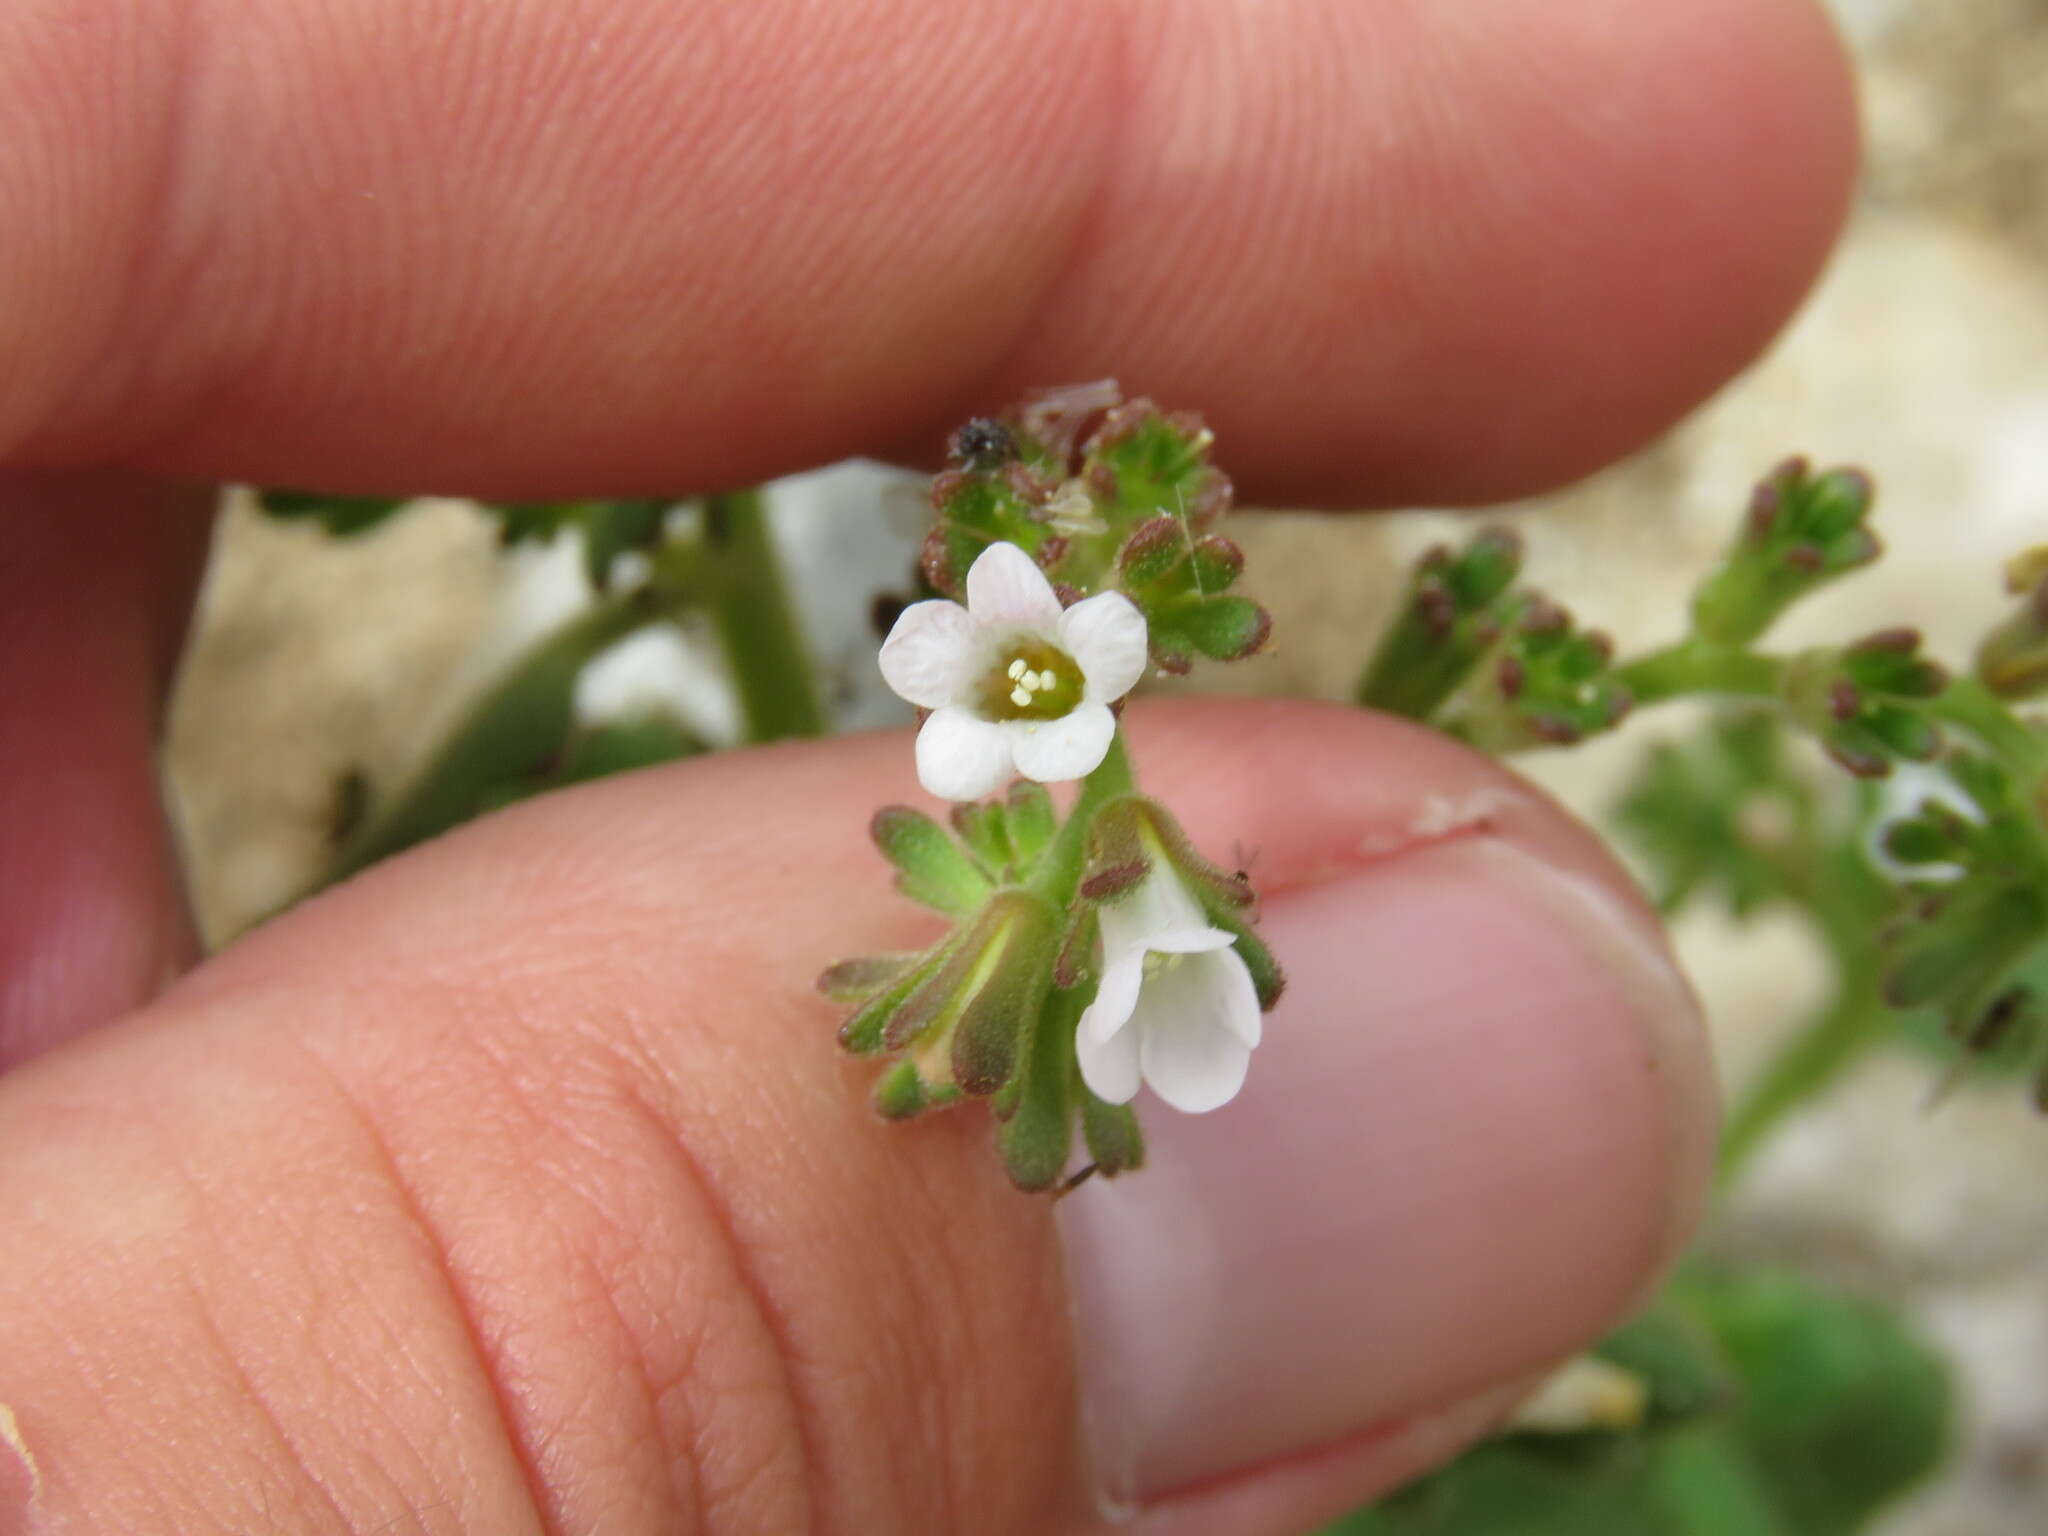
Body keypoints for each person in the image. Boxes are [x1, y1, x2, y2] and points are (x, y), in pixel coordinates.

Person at [0, 2, 1858, 1529]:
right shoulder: (1019, 692)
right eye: (1036, 675)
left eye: (1052, 674)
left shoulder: (1058, 700)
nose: (1051, 681)